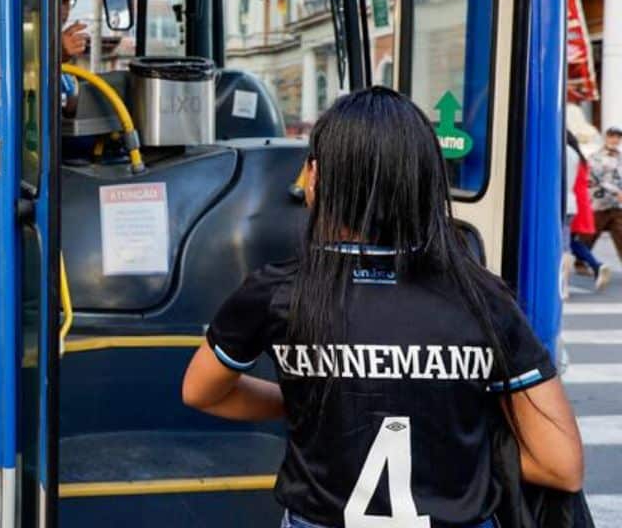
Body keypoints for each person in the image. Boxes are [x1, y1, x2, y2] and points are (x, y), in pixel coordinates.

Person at [181, 87, 583, 528]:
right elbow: (560, 466)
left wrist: (310, 396)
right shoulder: (482, 299)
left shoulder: (275, 291)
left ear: (316, 177)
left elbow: (201, 392)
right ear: (426, 181)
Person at [567, 131, 608, 292]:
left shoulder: (568, 156)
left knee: (567, 242)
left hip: (571, 201)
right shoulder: (581, 159)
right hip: (581, 204)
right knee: (572, 241)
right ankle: (596, 265)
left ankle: (595, 265)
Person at [586, 126, 622, 261]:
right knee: (589, 235)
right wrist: (615, 192)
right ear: (605, 138)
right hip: (599, 204)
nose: (615, 140)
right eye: (612, 136)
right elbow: (594, 179)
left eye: (618, 137)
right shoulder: (596, 158)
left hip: (617, 206)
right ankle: (580, 261)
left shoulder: (620, 157)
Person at [59, 0, 89, 118]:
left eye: (67, 2)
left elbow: (70, 104)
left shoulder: (66, 73)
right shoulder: (27, 48)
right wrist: (56, 53)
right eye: (60, 2)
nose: (65, 10)